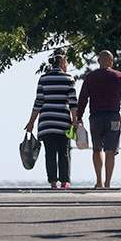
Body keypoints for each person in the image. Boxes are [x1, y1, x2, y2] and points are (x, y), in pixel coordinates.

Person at [77, 50, 121, 189]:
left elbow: (83, 98)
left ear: (98, 61)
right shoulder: (119, 76)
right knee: (110, 150)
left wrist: (79, 116)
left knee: (97, 149)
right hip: (113, 117)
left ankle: (99, 182)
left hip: (95, 118)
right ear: (111, 61)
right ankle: (108, 183)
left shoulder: (91, 77)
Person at [24, 49, 78, 189]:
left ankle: (53, 182)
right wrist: (75, 120)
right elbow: (73, 103)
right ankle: (65, 182)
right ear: (62, 63)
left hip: (46, 122)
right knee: (64, 152)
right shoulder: (69, 79)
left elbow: (38, 102)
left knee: (50, 153)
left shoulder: (43, 79)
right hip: (63, 122)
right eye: (66, 62)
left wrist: (31, 122)